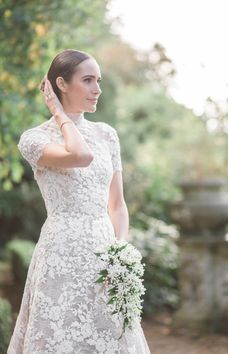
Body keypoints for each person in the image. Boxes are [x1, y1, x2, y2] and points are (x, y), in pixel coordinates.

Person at [7, 49, 151, 354]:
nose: (97, 88)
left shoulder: (107, 135)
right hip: (60, 253)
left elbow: (117, 205)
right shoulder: (34, 139)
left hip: (104, 251)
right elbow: (80, 156)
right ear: (61, 83)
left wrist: (120, 252)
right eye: (88, 80)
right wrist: (59, 114)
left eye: (98, 80)